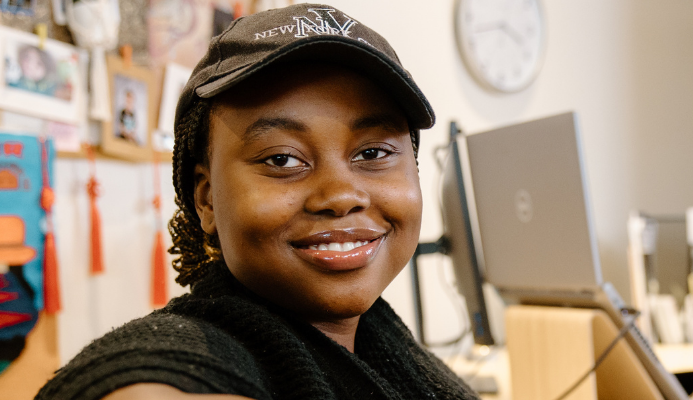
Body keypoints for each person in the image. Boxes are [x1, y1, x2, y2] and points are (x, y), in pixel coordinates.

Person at [35, 4, 477, 400]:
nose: (341, 196)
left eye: (373, 153)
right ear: (205, 199)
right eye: (283, 159)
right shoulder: (182, 365)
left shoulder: (386, 347)